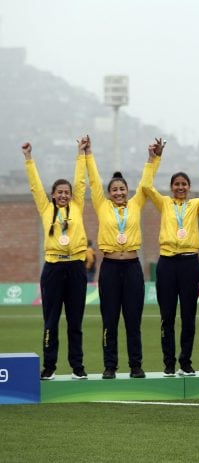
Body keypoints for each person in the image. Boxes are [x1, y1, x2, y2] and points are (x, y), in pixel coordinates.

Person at [140, 143, 199, 377]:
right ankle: (168, 363)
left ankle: (185, 362)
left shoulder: (195, 205)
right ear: (171, 187)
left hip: (189, 264)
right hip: (166, 263)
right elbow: (146, 186)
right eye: (176, 185)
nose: (180, 188)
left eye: (184, 184)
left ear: (189, 187)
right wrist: (153, 159)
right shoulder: (164, 203)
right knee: (167, 316)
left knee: (188, 316)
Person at [85, 135, 159, 379]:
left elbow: (146, 183)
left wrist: (152, 158)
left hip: (132, 267)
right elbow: (94, 182)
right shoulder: (102, 206)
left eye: (122, 189)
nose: (118, 192)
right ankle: (110, 366)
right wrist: (88, 154)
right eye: (114, 190)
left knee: (132, 319)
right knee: (109, 319)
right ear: (109, 194)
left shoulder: (136, 203)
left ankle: (135, 365)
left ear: (128, 191)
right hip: (109, 268)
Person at [22, 138, 89, 380]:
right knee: (51, 320)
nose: (63, 195)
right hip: (53, 267)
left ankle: (77, 366)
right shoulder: (45, 208)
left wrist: (80, 154)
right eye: (59, 192)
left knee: (75, 321)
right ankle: (49, 367)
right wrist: (29, 159)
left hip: (76, 267)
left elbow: (80, 181)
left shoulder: (78, 205)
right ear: (52, 195)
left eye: (67, 192)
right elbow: (35, 186)